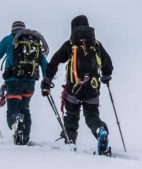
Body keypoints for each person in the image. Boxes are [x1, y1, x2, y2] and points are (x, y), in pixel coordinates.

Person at [42, 15, 114, 155]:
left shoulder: (70, 44)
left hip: (73, 89)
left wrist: (47, 80)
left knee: (71, 117)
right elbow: (107, 62)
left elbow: (55, 61)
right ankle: (100, 130)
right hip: (92, 88)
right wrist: (106, 76)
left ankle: (69, 142)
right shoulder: (96, 44)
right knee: (92, 116)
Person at [0, 21, 49, 145]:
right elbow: (43, 61)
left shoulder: (8, 40)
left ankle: (16, 124)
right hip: (30, 83)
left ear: (12, 30)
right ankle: (24, 138)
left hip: (13, 82)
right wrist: (47, 79)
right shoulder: (34, 42)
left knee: (12, 112)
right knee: (25, 109)